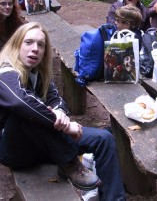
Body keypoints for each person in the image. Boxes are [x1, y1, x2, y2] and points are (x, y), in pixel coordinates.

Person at [0, 22, 126, 201]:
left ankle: (115, 199)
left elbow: (56, 99)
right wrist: (64, 125)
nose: (35, 49)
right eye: (28, 42)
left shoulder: (40, 72)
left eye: (40, 45)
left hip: (46, 143)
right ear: (16, 44)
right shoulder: (5, 72)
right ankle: (70, 163)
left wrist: (59, 112)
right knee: (25, 112)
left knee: (104, 138)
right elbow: (20, 101)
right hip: (16, 150)